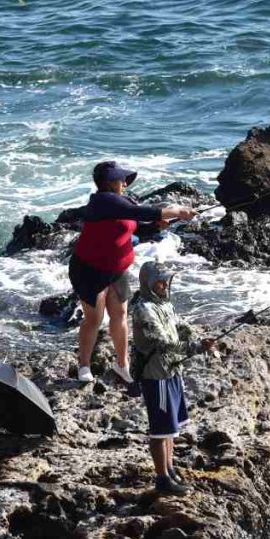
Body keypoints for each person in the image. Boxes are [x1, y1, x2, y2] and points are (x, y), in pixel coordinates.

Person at [70, 161, 195, 384]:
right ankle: (84, 365)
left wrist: (156, 227)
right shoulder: (102, 201)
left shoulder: (121, 201)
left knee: (119, 317)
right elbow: (137, 212)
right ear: (109, 183)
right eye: (121, 179)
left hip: (117, 270)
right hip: (91, 271)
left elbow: (132, 227)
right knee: (94, 319)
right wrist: (176, 210)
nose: (125, 183)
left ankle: (122, 364)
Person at [130, 260, 215, 496]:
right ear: (148, 283)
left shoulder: (164, 304)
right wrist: (195, 347)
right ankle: (162, 479)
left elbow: (180, 327)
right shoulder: (144, 309)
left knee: (171, 427)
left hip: (171, 371)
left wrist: (202, 340)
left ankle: (169, 469)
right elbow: (163, 343)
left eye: (166, 280)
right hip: (155, 375)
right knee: (160, 430)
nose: (164, 284)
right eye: (159, 280)